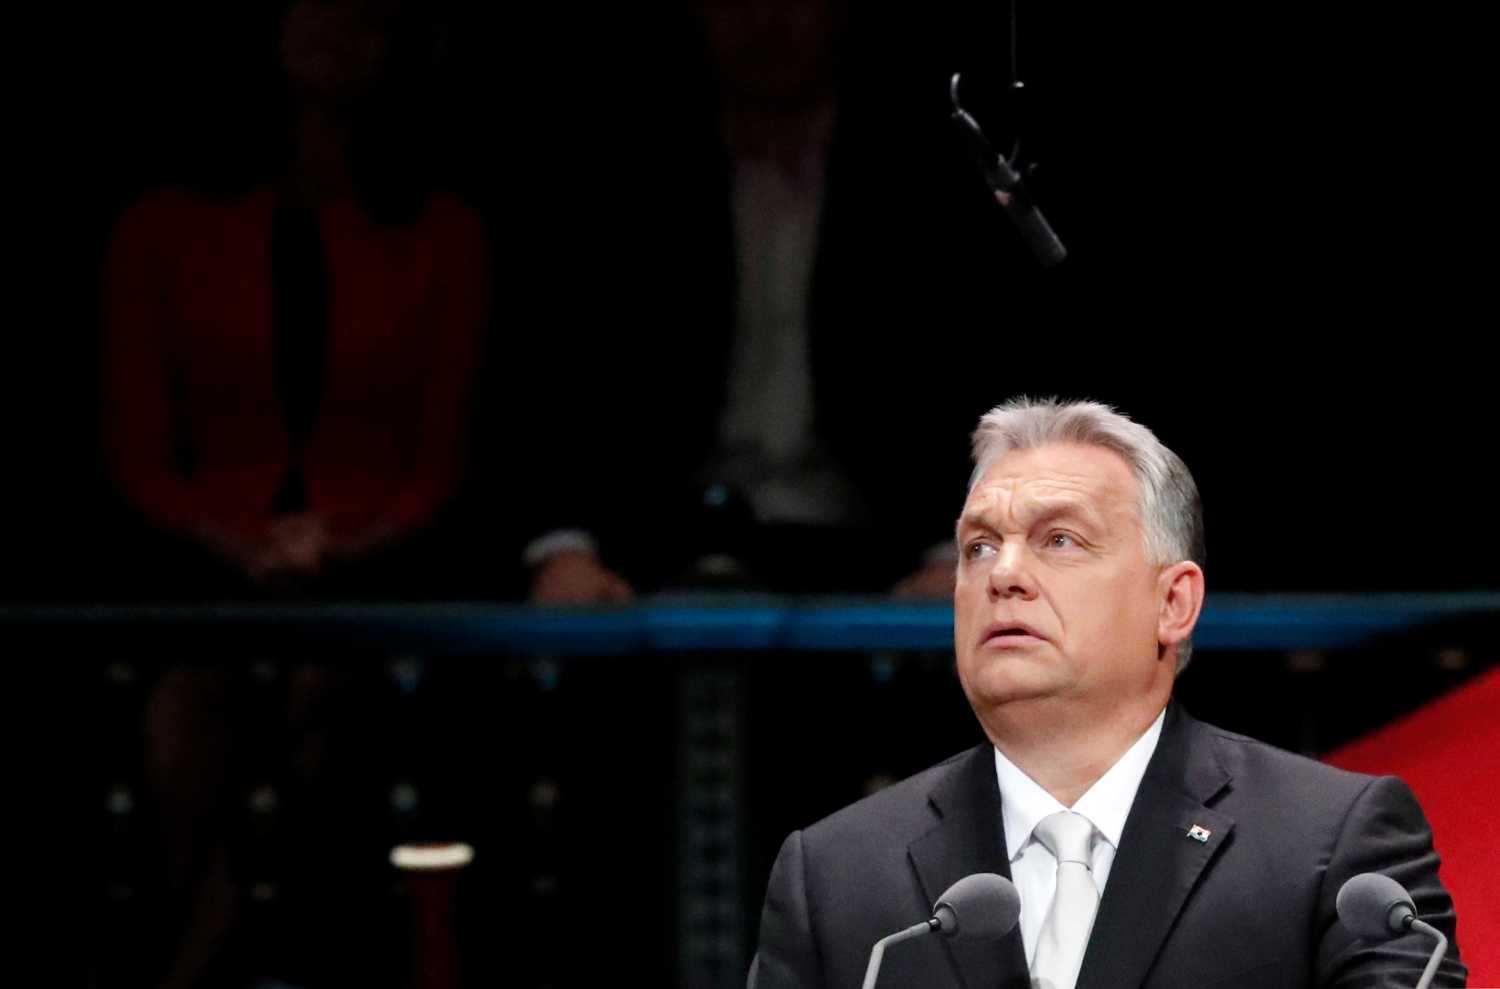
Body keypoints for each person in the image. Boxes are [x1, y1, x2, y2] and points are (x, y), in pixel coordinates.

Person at [747, 398, 1465, 988]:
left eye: (1059, 540)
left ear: (1174, 603)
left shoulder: (1332, 848)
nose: (1004, 574)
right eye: (979, 547)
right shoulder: (834, 876)